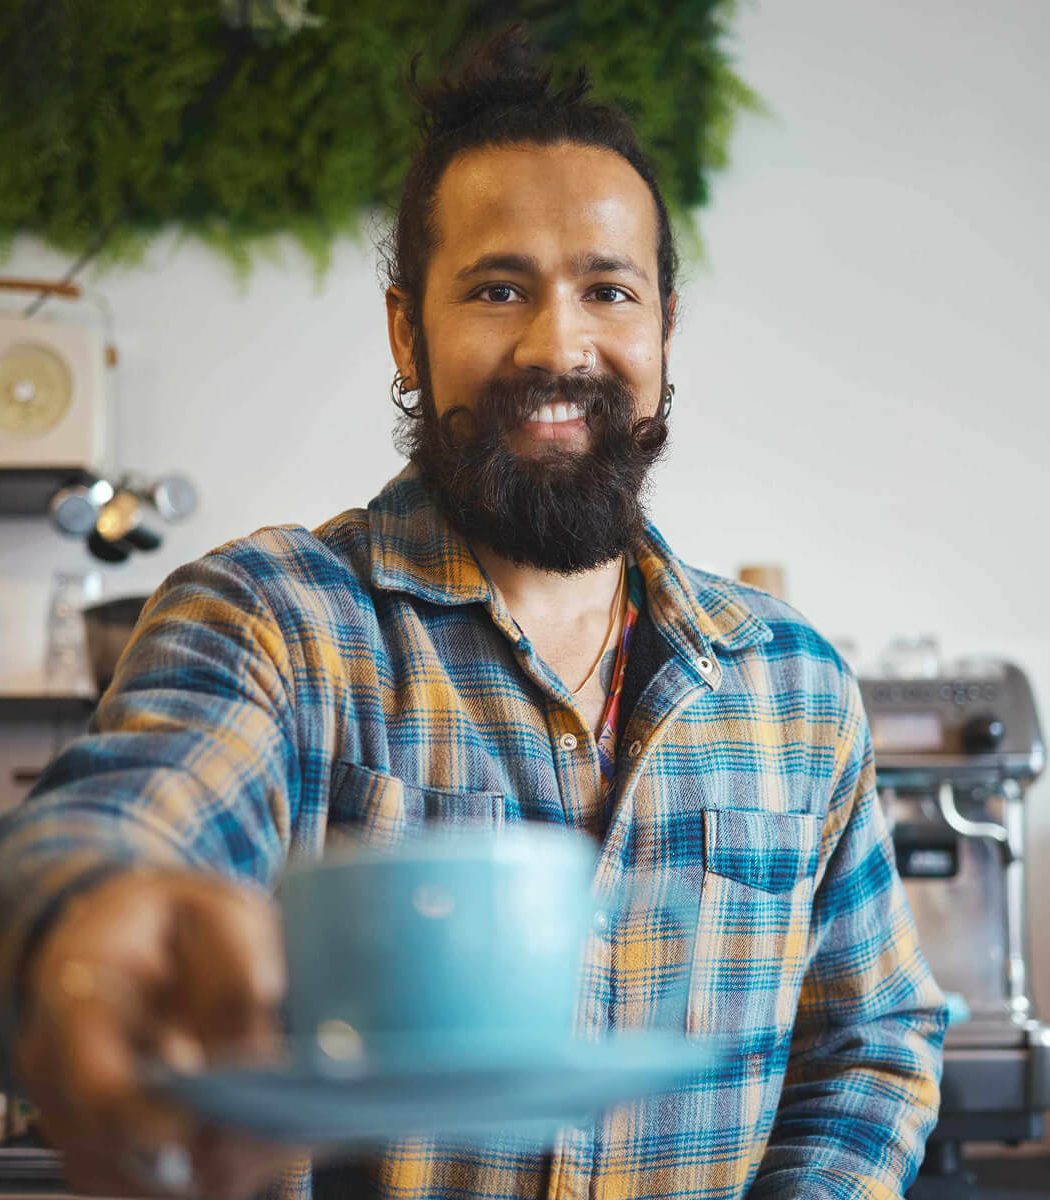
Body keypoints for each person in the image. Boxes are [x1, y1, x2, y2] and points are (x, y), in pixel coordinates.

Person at [0, 25, 946, 1200]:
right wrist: (83, 927)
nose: (559, 344)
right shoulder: (274, 624)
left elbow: (874, 1042)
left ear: (661, 333)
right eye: (499, 289)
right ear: (410, 332)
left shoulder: (794, 687)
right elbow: (117, 826)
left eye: (609, 289)